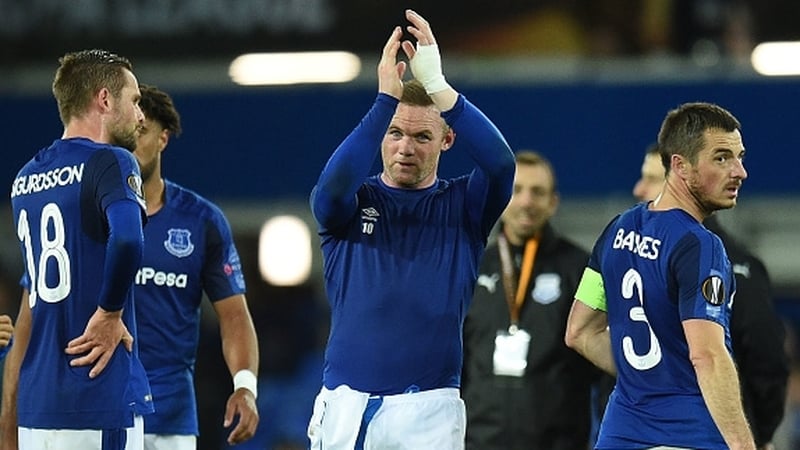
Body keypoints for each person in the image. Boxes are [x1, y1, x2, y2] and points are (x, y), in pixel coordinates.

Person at [306, 9, 515, 449]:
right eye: (395, 132)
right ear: (381, 134)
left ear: (447, 140)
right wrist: (384, 101)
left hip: (430, 412)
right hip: (346, 405)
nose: (405, 147)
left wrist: (439, 87)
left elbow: (500, 165)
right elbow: (328, 191)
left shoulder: (464, 205)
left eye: (422, 137)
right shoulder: (354, 202)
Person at [564, 102, 756, 449]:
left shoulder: (616, 229)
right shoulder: (700, 245)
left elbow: (579, 332)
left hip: (620, 432)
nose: (740, 171)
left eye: (740, 156)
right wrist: (743, 445)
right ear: (680, 165)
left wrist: (648, 382)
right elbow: (708, 356)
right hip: (691, 434)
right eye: (722, 158)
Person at [1, 49, 152, 450]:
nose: (141, 116)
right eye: (135, 101)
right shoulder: (111, 161)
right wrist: (110, 312)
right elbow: (128, 238)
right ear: (104, 99)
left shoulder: (25, 178)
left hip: (38, 406)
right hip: (95, 392)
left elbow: (31, 298)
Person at [631, 143, 789, 449]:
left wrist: (755, 434)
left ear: (679, 181)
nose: (639, 189)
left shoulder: (739, 268)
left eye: (651, 178)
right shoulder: (632, 256)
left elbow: (766, 363)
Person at [132, 84, 260, 449]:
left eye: (142, 131)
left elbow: (234, 315)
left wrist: (245, 387)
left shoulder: (201, 221)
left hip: (170, 418)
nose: (130, 142)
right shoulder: (88, 217)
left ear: (163, 139)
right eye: (126, 132)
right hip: (98, 412)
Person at [461, 150, 598, 450]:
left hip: (558, 442)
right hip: (480, 442)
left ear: (553, 203)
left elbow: (599, 366)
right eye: (517, 190)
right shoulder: (474, 268)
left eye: (538, 192)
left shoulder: (581, 269)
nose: (526, 201)